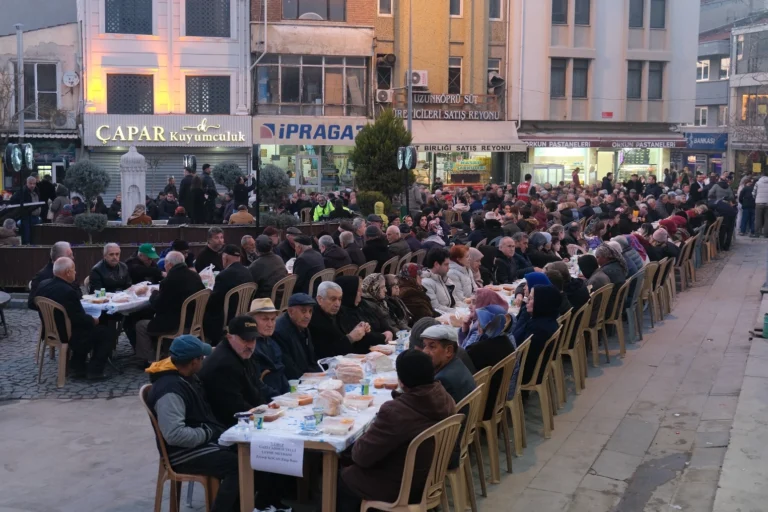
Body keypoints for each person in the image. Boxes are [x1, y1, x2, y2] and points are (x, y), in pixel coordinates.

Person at [338, 349, 456, 512]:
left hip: (401, 485)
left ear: (401, 380)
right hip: (430, 476)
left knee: (343, 474)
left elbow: (361, 457)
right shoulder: (444, 397)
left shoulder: (396, 412)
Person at [145, 335, 241, 512]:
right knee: (237, 465)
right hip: (183, 453)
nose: (204, 360)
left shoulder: (187, 376)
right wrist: (207, 432)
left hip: (200, 442)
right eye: (201, 358)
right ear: (193, 362)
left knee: (248, 452)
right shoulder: (169, 390)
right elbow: (175, 435)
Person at [36, 258, 113, 380]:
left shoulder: (43, 285)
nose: (75, 273)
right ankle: (95, 371)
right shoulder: (68, 291)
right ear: (67, 272)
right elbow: (78, 318)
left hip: (50, 331)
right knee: (106, 333)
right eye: (74, 270)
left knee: (88, 328)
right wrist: (93, 320)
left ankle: (78, 367)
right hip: (67, 334)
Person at [135, 251, 206, 364]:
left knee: (140, 325)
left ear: (169, 264)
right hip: (194, 321)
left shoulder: (169, 281)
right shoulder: (195, 276)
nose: (164, 266)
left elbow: (158, 306)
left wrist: (154, 293)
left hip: (176, 325)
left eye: (165, 264)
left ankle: (149, 359)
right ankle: (164, 351)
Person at [466, 307, 516, 420]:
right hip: (498, 398)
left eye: (479, 321)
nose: (477, 324)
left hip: (482, 405)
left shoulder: (476, 350)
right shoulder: (506, 342)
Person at [203, 245, 254, 344]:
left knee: (206, 312)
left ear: (225, 258)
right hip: (245, 312)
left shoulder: (224, 276)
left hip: (228, 316)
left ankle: (211, 343)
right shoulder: (247, 272)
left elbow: (214, 301)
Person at [512, 284, 561, 384]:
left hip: (524, 374)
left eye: (531, 298)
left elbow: (518, 348)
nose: (527, 301)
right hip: (534, 369)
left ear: (541, 302)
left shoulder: (537, 329)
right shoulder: (547, 319)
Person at [308, 281, 367, 358]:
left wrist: (361, 329)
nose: (337, 304)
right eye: (333, 299)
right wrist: (350, 338)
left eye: (339, 299)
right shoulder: (313, 319)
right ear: (319, 299)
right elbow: (325, 353)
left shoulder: (340, 311)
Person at [419, 324, 476, 403]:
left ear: (448, 351)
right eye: (424, 345)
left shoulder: (443, 380)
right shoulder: (457, 363)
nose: (425, 351)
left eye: (432, 346)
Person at [271, 293, 321, 380]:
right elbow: (290, 369)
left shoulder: (303, 327)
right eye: (303, 311)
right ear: (290, 312)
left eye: (310, 311)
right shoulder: (280, 332)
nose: (308, 316)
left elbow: (311, 360)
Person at [336, 276, 390, 351]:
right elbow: (363, 337)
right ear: (350, 292)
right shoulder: (342, 313)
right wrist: (383, 336)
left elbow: (381, 320)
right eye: (358, 290)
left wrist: (388, 331)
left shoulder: (363, 304)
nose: (361, 293)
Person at [249, 299, 290, 397]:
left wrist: (289, 394)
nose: (270, 324)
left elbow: (281, 372)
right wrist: (278, 398)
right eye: (265, 319)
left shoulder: (272, 342)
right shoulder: (249, 347)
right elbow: (257, 384)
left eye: (273, 319)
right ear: (252, 321)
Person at [29, 241, 74, 310]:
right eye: (70, 255)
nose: (73, 258)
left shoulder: (69, 270)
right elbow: (31, 303)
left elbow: (78, 294)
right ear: (59, 259)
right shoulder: (42, 276)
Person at [249, 235, 288, 299]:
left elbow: (251, 285)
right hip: (282, 298)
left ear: (256, 249)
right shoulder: (279, 259)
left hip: (266, 301)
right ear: (271, 247)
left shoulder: (256, 265)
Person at [421, 248, 457, 315]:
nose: (449, 267)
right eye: (446, 264)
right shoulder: (426, 283)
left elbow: (454, 301)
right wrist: (457, 312)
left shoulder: (443, 277)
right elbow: (436, 308)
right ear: (436, 264)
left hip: (449, 314)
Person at [595, 243, 628, 314]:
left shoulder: (606, 271)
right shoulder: (618, 264)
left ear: (605, 257)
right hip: (619, 302)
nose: (596, 260)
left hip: (611, 307)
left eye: (597, 257)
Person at [11, 175, 42, 244]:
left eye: (34, 183)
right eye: (30, 183)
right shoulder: (22, 191)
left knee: (35, 236)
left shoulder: (36, 191)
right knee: (27, 235)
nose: (32, 185)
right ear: (26, 183)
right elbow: (13, 200)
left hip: (35, 216)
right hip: (27, 216)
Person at [754, 173, 768, 237]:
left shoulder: (757, 183)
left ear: (761, 176)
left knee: (758, 218)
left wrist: (756, 198)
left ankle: (757, 233)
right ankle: (766, 234)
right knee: (767, 219)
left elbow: (754, 193)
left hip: (759, 203)